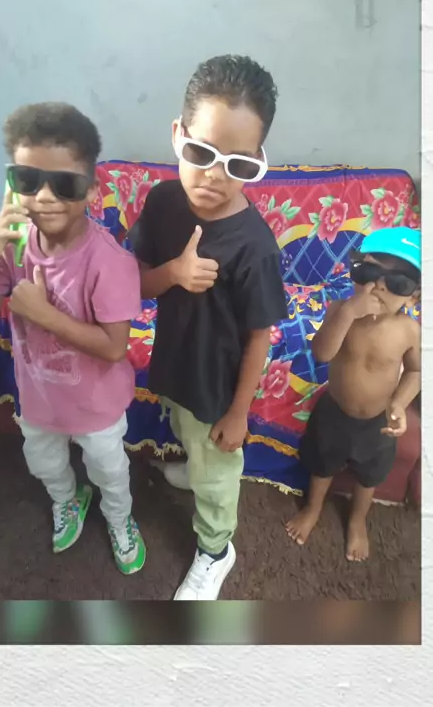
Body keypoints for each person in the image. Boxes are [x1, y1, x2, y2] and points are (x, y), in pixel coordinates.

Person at [129, 54, 288, 600]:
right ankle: (196, 468)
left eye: (238, 164)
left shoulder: (256, 247)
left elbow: (260, 334)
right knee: (188, 435)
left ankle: (217, 550)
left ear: (257, 161)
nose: (215, 176)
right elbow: (137, 283)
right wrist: (173, 273)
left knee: (216, 474)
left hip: (218, 390)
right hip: (175, 362)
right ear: (179, 135)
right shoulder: (162, 201)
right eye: (201, 153)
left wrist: (239, 412)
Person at [0, 102, 146, 575]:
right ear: (12, 184)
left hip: (96, 406)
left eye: (64, 184)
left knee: (110, 469)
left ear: (91, 188)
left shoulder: (109, 262)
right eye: (28, 180)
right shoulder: (14, 247)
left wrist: (42, 314)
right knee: (43, 463)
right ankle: (68, 499)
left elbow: (114, 347)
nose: (44, 197)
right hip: (39, 400)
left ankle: (119, 518)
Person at [286, 226, 421, 561]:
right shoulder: (339, 310)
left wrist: (399, 404)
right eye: (369, 273)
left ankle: (358, 520)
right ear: (354, 273)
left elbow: (416, 371)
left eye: (398, 282)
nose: (379, 287)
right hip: (334, 412)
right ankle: (313, 508)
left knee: (369, 477)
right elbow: (322, 353)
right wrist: (347, 313)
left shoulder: (409, 331)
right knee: (322, 467)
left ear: (413, 297)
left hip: (378, 423)